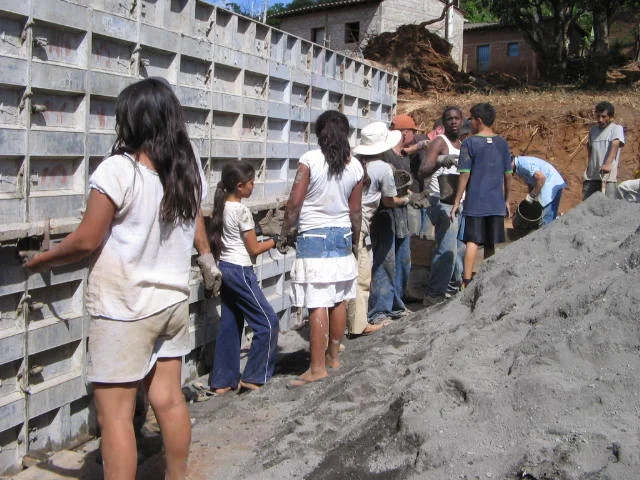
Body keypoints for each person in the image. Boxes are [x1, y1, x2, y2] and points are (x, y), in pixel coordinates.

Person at [20, 77, 205, 480]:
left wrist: (43, 261)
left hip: (126, 310)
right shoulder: (190, 173)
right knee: (169, 400)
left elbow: (87, 239)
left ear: (133, 122)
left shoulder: (119, 171)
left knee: (116, 418)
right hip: (172, 303)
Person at [279, 110, 363, 386]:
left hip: (314, 237)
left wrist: (285, 232)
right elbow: (355, 212)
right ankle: (333, 357)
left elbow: (294, 204)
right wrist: (354, 240)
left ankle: (316, 368)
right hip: (341, 237)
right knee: (338, 298)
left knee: (317, 303)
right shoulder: (356, 167)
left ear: (319, 134)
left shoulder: (310, 160)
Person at [208, 161, 279, 395]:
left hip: (225, 268)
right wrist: (277, 241)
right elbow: (254, 249)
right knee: (268, 322)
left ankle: (222, 381)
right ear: (239, 186)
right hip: (240, 270)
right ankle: (254, 376)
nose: (254, 186)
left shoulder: (222, 207)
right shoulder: (241, 211)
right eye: (251, 183)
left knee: (230, 324)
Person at [347, 122, 409, 337]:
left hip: (347, 219)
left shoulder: (354, 163)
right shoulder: (383, 168)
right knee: (362, 276)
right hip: (363, 222)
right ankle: (358, 325)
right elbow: (390, 201)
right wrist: (407, 198)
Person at [450, 103, 512, 289]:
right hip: (496, 202)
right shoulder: (502, 143)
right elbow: (508, 175)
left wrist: (456, 201)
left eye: (472, 119)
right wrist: (507, 200)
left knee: (473, 241)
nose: (470, 122)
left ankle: (466, 282)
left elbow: (464, 174)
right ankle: (487, 281)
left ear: (479, 120)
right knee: (490, 242)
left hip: (476, 201)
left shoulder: (469, 143)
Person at [418, 106, 467, 306]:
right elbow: (423, 171)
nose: (453, 122)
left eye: (457, 118)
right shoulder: (440, 142)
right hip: (441, 200)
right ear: (443, 123)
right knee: (447, 250)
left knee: (457, 249)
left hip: (458, 201)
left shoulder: (463, 145)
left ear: (462, 121)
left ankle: (451, 290)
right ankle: (434, 295)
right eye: (449, 119)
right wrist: (440, 161)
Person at [367, 114, 414, 321]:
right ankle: (379, 310)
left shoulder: (403, 156)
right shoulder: (385, 158)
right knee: (385, 263)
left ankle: (395, 304)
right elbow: (387, 198)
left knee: (402, 262)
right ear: (404, 133)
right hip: (385, 216)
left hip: (400, 215)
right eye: (413, 131)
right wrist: (406, 199)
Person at [583, 101, 625, 200]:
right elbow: (590, 148)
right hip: (592, 176)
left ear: (611, 117)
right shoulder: (593, 130)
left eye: (603, 116)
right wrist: (588, 167)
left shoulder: (616, 128)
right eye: (598, 116)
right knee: (587, 206)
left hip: (607, 176)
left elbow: (615, 144)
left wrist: (608, 164)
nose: (600, 119)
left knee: (608, 206)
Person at [512, 155, 567, 224]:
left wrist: (532, 195)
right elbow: (531, 182)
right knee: (542, 218)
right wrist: (531, 198)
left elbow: (541, 178)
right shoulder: (518, 168)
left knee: (547, 220)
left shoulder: (523, 164)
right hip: (547, 185)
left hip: (551, 185)